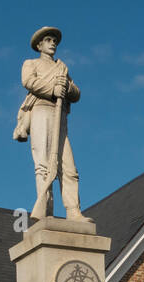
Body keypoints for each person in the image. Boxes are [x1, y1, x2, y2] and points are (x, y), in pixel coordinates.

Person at [15, 26, 90, 222]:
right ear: (40, 45)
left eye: (54, 40)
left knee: (69, 168)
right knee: (43, 165)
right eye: (48, 40)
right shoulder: (31, 63)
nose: (53, 43)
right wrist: (52, 89)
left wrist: (66, 87)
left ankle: (73, 211)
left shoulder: (62, 68)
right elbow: (28, 82)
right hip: (41, 110)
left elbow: (77, 93)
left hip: (61, 115)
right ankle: (46, 210)